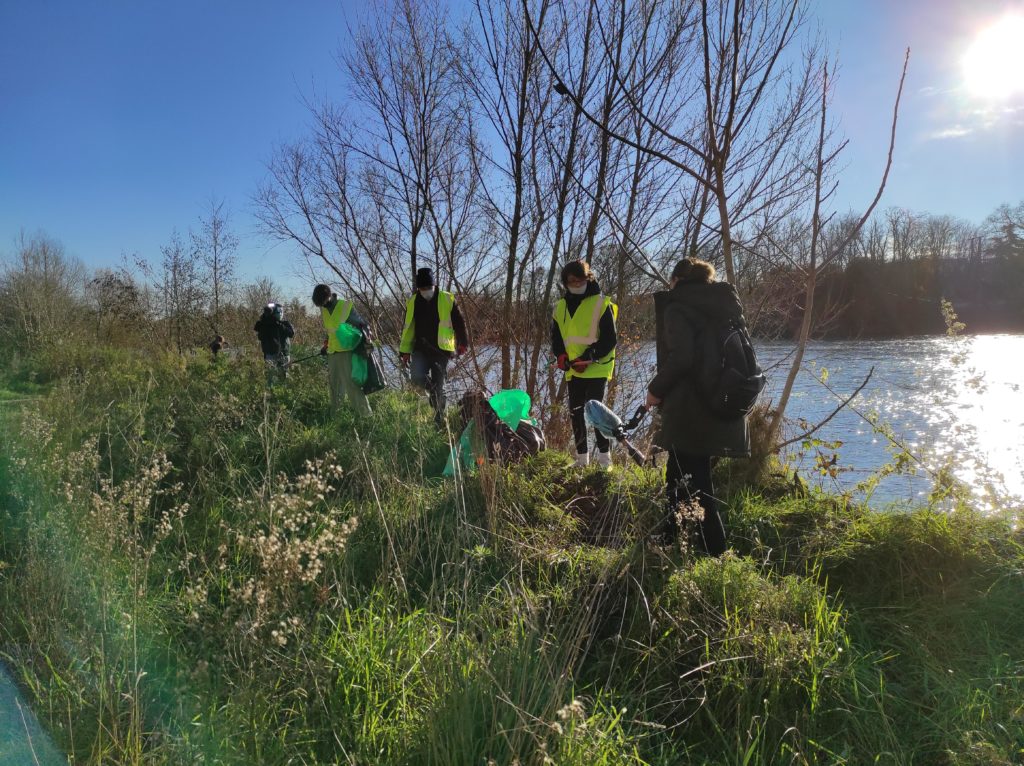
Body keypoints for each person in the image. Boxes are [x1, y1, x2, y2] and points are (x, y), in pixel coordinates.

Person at [644, 257, 751, 556]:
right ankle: (669, 537)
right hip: (717, 401)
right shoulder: (723, 305)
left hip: (691, 406)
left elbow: (683, 358)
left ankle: (717, 554)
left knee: (698, 482)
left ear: (677, 280)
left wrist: (655, 390)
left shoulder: (678, 307)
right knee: (678, 472)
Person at [551, 260, 618, 468]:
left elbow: (609, 338)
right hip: (573, 369)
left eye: (579, 279)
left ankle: (605, 460)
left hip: (596, 366)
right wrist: (560, 356)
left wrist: (589, 356)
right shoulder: (560, 307)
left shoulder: (601, 303)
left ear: (588, 278)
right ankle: (582, 459)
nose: (575, 284)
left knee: (595, 412)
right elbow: (556, 338)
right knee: (575, 411)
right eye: (571, 281)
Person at [398, 267, 469, 428]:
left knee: (439, 384)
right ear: (418, 288)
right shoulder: (413, 301)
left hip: (441, 350)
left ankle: (439, 420)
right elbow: (408, 327)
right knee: (416, 377)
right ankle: (434, 392)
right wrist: (404, 351)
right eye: (422, 289)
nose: (426, 291)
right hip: (420, 349)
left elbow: (459, 322)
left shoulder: (447, 298)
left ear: (434, 285)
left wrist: (463, 343)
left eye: (428, 288)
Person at [311, 284, 372, 417]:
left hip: (347, 352)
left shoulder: (345, 306)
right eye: (319, 304)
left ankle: (365, 415)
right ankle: (335, 416)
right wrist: (325, 346)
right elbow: (330, 331)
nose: (322, 306)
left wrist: (367, 343)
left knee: (352, 386)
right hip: (332, 353)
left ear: (328, 296)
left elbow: (362, 325)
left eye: (323, 302)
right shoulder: (324, 309)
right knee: (334, 387)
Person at [254, 304, 294, 387]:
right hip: (270, 355)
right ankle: (271, 395)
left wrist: (279, 324)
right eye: (278, 312)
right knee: (270, 378)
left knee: (284, 377)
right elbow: (260, 337)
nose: (280, 313)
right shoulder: (265, 324)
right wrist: (265, 323)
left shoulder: (284, 323)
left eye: (281, 311)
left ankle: (284, 394)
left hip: (284, 354)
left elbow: (291, 333)